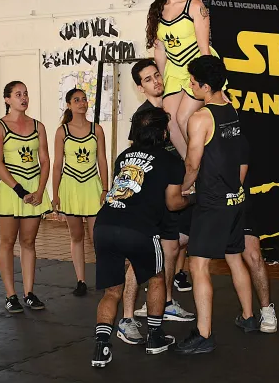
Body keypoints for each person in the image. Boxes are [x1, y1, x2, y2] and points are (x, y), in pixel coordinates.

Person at [91, 107, 189, 367]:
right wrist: (197, 197)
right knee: (156, 277)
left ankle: (101, 348)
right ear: (163, 132)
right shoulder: (170, 161)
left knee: (112, 290)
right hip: (139, 228)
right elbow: (173, 203)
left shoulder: (124, 156)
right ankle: (155, 337)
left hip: (105, 225)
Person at [175, 56, 258, 355]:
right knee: (234, 256)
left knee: (197, 265)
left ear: (206, 86)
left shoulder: (201, 118)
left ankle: (204, 333)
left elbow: (193, 163)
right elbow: (238, 153)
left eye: (193, 82)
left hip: (212, 203)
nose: (190, 86)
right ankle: (249, 317)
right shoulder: (231, 109)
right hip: (235, 199)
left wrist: (181, 189)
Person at [119, 60, 194, 346]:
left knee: (174, 246)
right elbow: (135, 154)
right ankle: (127, 316)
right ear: (140, 87)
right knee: (144, 254)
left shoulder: (173, 107)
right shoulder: (145, 115)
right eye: (148, 80)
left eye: (157, 75)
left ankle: (167, 301)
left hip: (173, 187)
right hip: (154, 195)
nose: (156, 81)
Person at [0, 81, 50, 312]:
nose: (24, 98)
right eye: (18, 94)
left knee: (29, 242)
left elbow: (44, 160)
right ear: (7, 99)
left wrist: (40, 190)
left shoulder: (38, 126)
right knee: (7, 241)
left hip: (33, 189)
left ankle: (29, 293)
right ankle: (11, 295)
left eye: (26, 93)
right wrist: (19, 190)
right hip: (12, 190)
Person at [146, 0, 219, 157]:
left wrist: (212, 83)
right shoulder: (157, 9)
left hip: (197, 69)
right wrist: (160, 82)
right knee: (169, 121)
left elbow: (205, 49)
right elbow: (159, 49)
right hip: (174, 71)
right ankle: (191, 165)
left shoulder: (195, 6)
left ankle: (202, 163)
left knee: (183, 117)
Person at [53, 88, 109, 297]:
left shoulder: (97, 129)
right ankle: (81, 280)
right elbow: (57, 164)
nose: (82, 103)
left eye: (84, 99)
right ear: (68, 105)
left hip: (92, 186)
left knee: (97, 237)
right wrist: (55, 194)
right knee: (76, 235)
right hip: (71, 186)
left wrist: (105, 187)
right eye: (76, 100)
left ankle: (105, 277)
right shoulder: (62, 131)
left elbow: (102, 160)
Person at [241, 177, 278, 333]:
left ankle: (265, 311)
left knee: (254, 256)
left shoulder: (240, 153)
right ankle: (167, 303)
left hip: (240, 201)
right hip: (212, 202)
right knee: (174, 244)